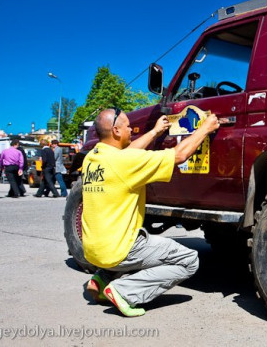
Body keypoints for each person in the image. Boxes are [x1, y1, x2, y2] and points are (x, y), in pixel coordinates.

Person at [82, 108, 219, 317]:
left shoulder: (93, 158)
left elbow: (128, 153)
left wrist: (154, 132)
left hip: (92, 250)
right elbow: (179, 155)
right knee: (189, 260)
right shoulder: (124, 163)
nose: (132, 130)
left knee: (121, 244)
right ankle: (125, 291)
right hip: (120, 250)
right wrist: (205, 128)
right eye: (128, 127)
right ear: (117, 131)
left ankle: (102, 278)